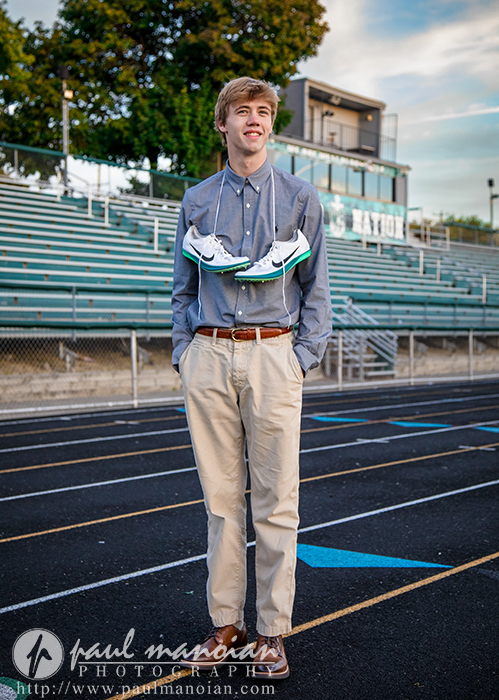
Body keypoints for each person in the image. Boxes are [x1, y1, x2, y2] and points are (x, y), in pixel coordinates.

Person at [171, 76, 332, 679]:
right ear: (224, 124)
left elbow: (317, 288)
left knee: (275, 502)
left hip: (273, 355)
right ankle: (224, 624)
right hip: (209, 355)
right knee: (219, 503)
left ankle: (271, 632)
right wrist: (185, 351)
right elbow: (182, 288)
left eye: (264, 112)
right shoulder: (194, 200)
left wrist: (302, 356)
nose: (255, 121)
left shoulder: (300, 198)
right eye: (243, 112)